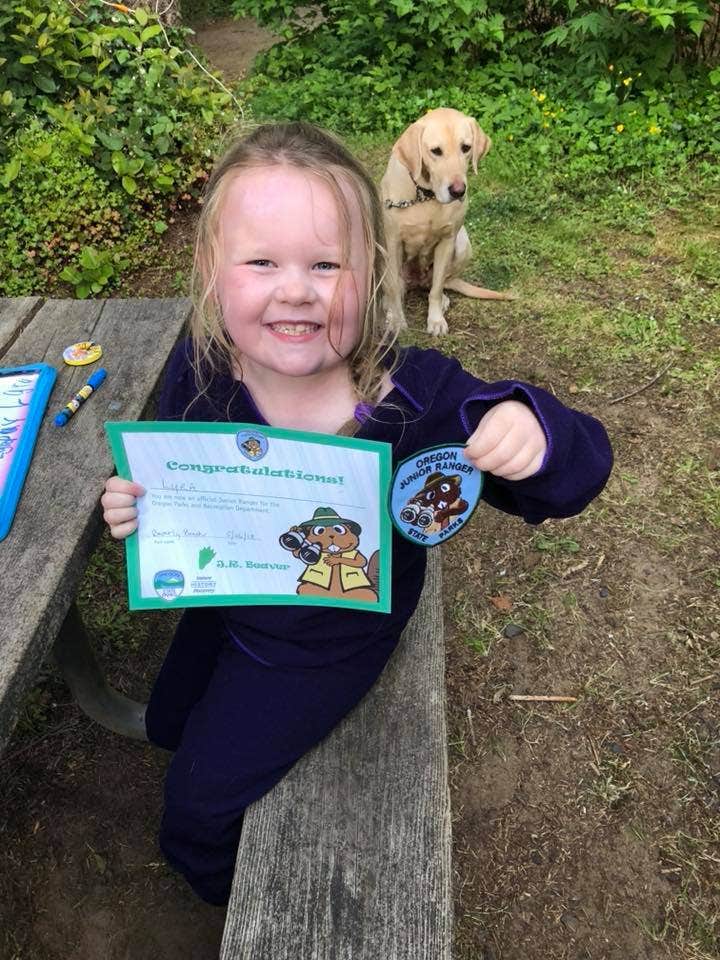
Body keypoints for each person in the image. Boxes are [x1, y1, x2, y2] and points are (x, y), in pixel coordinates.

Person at [101, 121, 612, 906]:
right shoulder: (202, 364)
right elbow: (175, 465)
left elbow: (577, 475)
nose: (295, 289)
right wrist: (140, 504)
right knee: (171, 718)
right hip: (221, 601)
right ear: (212, 272)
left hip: (323, 641)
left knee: (195, 806)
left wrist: (532, 430)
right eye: (262, 262)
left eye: (326, 264)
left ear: (373, 272)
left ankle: (239, 894)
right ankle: (194, 749)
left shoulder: (422, 399)